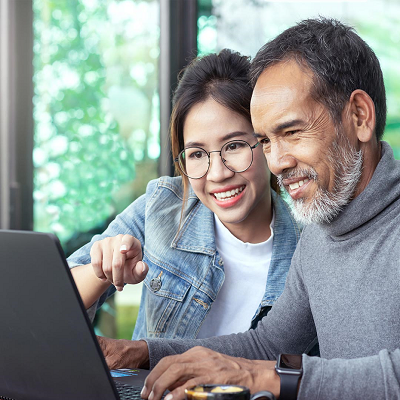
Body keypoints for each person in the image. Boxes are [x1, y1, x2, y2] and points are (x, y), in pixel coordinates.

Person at [97, 18, 400, 400]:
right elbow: (267, 344)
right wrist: (142, 352)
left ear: (358, 116)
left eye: (291, 133)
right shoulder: (322, 235)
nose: (276, 163)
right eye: (266, 142)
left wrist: (263, 378)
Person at [67, 49, 301, 343]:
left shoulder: (306, 253)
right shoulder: (162, 206)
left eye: (234, 146)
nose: (217, 173)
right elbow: (52, 301)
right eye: (197, 154)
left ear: (266, 142)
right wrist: (101, 271)